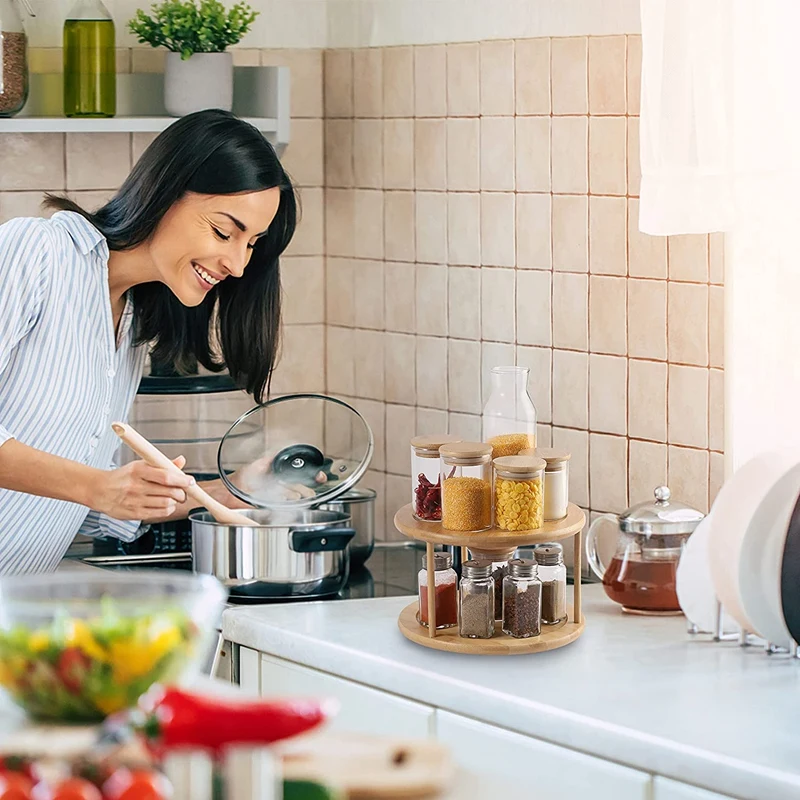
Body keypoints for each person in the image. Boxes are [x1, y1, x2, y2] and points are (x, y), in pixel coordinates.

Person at [0, 109, 297, 573]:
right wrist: (96, 486)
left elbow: (90, 502)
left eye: (251, 243)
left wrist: (225, 492)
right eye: (224, 231)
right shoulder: (37, 252)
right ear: (165, 193)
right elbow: (92, 488)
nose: (237, 265)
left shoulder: (132, 322)